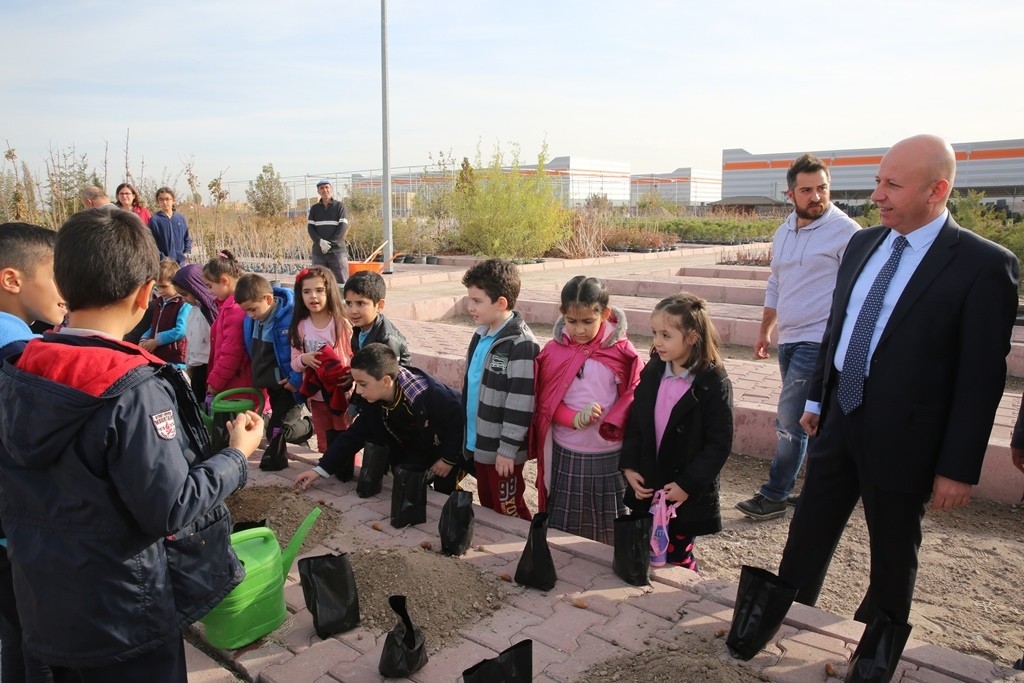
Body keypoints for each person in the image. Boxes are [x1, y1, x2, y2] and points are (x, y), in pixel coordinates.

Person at [732, 135, 1020, 672]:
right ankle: (777, 618)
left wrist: (958, 468)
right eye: (878, 180)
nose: (878, 194)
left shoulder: (983, 266)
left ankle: (876, 652)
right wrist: (816, 398)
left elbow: (981, 379)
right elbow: (837, 332)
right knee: (809, 527)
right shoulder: (864, 245)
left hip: (907, 437)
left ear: (937, 189)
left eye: (892, 184)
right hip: (839, 418)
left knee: (891, 550)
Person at [0, 208, 264, 682]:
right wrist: (236, 455)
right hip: (124, 615)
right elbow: (170, 506)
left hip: (46, 602)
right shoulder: (132, 388)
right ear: (145, 292)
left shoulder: (20, 366)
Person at [736, 154, 860, 520]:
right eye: (806, 190)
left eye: (822, 188)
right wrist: (765, 330)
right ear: (791, 194)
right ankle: (812, 490)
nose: (816, 196)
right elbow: (777, 281)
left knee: (790, 418)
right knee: (809, 419)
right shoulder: (784, 229)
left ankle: (774, 494)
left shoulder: (847, 232)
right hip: (789, 339)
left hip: (819, 342)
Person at [620, 293, 733, 572]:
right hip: (649, 485)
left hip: (682, 494)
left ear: (692, 337)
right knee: (644, 548)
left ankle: (679, 603)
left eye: (666, 335)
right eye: (655, 333)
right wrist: (630, 466)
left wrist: (687, 485)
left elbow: (718, 444)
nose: (657, 342)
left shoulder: (712, 382)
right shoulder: (653, 372)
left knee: (677, 557)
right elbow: (636, 423)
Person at [530, 276, 642, 543]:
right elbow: (546, 405)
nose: (579, 329)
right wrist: (574, 419)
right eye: (572, 321)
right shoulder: (554, 351)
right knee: (563, 530)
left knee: (609, 529)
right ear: (562, 314)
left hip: (609, 454)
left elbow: (634, 397)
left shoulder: (622, 352)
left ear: (604, 314)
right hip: (568, 451)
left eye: (587, 321)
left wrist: (611, 422)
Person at [0, 222, 65, 683]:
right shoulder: (23, 355)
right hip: (24, 532)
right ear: (12, 280)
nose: (66, 288)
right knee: (44, 644)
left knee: (17, 638)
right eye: (56, 274)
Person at [293, 343, 463, 491]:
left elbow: (458, 421)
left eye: (362, 384)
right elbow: (353, 436)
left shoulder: (427, 395)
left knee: (446, 488)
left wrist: (448, 459)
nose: (358, 391)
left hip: (453, 447)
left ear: (386, 381)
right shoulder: (374, 399)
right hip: (417, 449)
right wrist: (319, 470)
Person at [461, 259, 539, 519]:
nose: (470, 307)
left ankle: (524, 553)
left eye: (477, 301)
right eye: (469, 299)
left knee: (510, 509)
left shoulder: (520, 344)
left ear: (501, 303)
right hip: (480, 443)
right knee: (489, 505)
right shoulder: (481, 334)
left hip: (502, 452)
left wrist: (507, 449)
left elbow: (521, 402)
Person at [236, 273, 313, 448]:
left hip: (289, 384)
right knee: (283, 429)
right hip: (272, 384)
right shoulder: (253, 320)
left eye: (253, 309)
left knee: (277, 430)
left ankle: (312, 425)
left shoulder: (290, 317)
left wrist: (295, 379)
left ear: (268, 299)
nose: (250, 314)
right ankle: (300, 446)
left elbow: (301, 350)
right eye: (246, 311)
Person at [288, 266, 354, 455]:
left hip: (340, 394)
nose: (313, 296)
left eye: (319, 290)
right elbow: (294, 361)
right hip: (316, 395)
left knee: (345, 436)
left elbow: (353, 356)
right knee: (323, 439)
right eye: (306, 291)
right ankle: (326, 473)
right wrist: (304, 359)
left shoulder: (341, 323)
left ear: (329, 291)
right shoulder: (301, 325)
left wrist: (351, 378)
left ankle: (348, 474)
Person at [203, 250, 254, 397]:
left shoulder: (235, 309)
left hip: (238, 387)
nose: (209, 291)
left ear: (225, 281)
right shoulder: (228, 306)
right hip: (235, 383)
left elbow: (231, 354)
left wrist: (214, 382)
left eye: (210, 286)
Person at [171, 263, 219, 399]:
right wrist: (189, 365)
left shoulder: (212, 313)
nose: (184, 299)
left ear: (196, 288)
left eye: (185, 294)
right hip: (196, 369)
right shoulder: (193, 312)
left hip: (210, 368)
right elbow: (191, 342)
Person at [343, 270, 411, 364]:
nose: (353, 311)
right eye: (349, 303)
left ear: (379, 305)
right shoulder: (359, 329)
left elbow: (390, 376)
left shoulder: (387, 339)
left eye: (360, 303)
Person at [139, 259, 191, 368]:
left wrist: (156, 341)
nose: (160, 291)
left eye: (164, 286)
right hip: (160, 357)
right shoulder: (159, 303)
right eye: (157, 287)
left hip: (176, 359)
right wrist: (144, 339)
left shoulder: (183, 304)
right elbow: (154, 326)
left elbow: (181, 330)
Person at [307, 179, 349, 284]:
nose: (325, 190)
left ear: (331, 189)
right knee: (317, 280)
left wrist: (330, 244)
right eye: (322, 188)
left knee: (342, 280)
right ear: (318, 191)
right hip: (319, 251)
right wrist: (320, 242)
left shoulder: (340, 207)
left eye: (327, 187)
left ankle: (342, 300)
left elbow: (342, 227)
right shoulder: (314, 209)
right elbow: (310, 228)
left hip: (337, 251)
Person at [149, 187, 191, 265]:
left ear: (173, 200)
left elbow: (187, 238)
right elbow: (151, 243)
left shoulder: (180, 218)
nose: (164, 202)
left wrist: (187, 253)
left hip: (181, 263)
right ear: (157, 201)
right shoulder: (155, 220)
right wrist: (162, 258)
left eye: (167, 199)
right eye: (161, 199)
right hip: (164, 264)